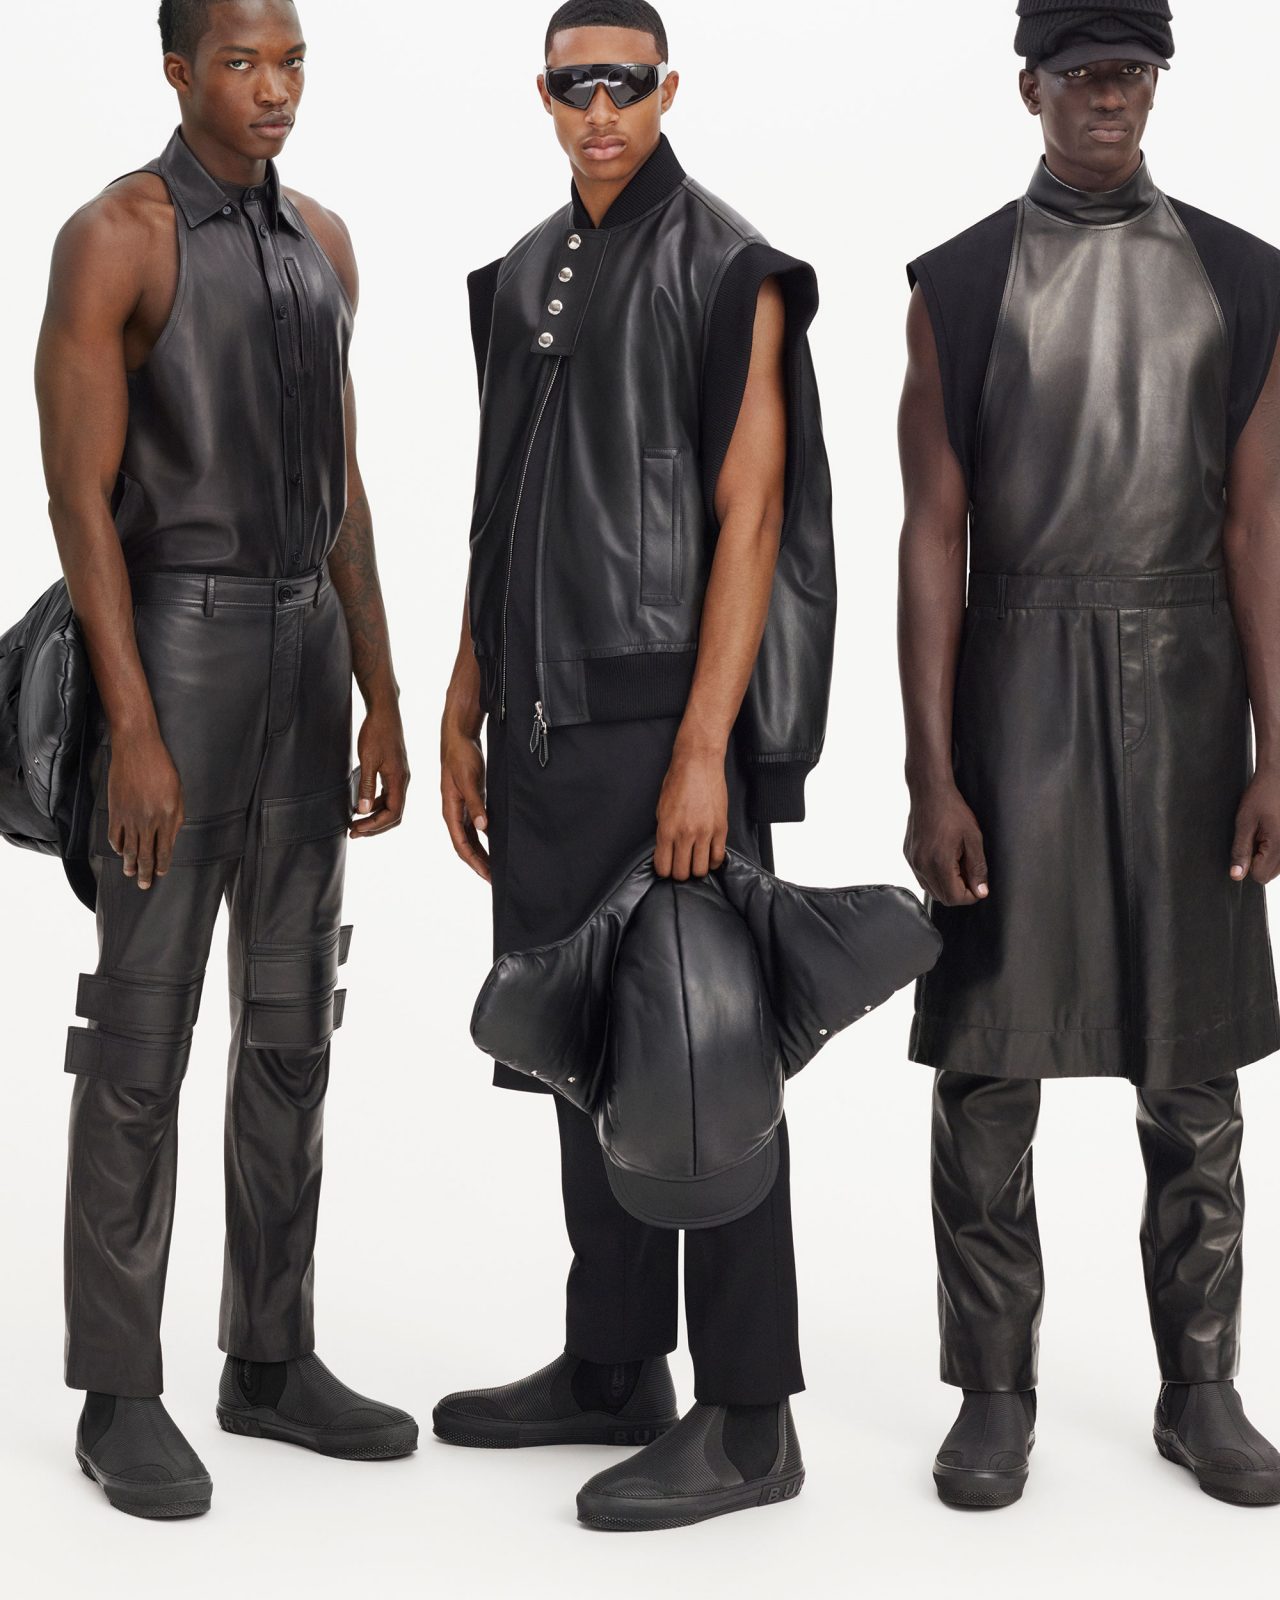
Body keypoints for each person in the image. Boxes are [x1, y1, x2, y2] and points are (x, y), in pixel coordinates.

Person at [436, 0, 835, 1531]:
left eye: (624, 82)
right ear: (543, 96)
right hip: (542, 728)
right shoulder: (525, 270)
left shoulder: (727, 263)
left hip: (668, 731)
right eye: (572, 85)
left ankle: (751, 1420)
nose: (598, 107)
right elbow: (501, 501)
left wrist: (706, 750)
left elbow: (753, 514)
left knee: (707, 1057)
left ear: (666, 90)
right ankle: (613, 1365)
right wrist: (468, 691)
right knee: (580, 1051)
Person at [35, 0, 416, 1518]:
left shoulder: (324, 240)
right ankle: (117, 1392)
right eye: (244, 62)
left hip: (307, 650)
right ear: (179, 70)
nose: (275, 88)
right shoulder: (115, 237)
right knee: (140, 1030)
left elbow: (344, 480)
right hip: (177, 651)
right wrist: (131, 724)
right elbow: (76, 500)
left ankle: (269, 1359)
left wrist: (382, 685)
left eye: (293, 60)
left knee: (292, 1021)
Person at [898, 0, 1280, 1510]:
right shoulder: (960, 280)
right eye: (1081, 75)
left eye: (1131, 72)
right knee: (990, 1065)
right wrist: (932, 773)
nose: (1108, 97)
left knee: (1192, 1072)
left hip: (1188, 694)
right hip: (1016, 688)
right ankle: (994, 1392)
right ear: (1031, 88)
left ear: (1158, 84)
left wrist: (1276, 747)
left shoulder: (1243, 277)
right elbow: (932, 536)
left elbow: (1257, 530)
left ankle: (1203, 1387)